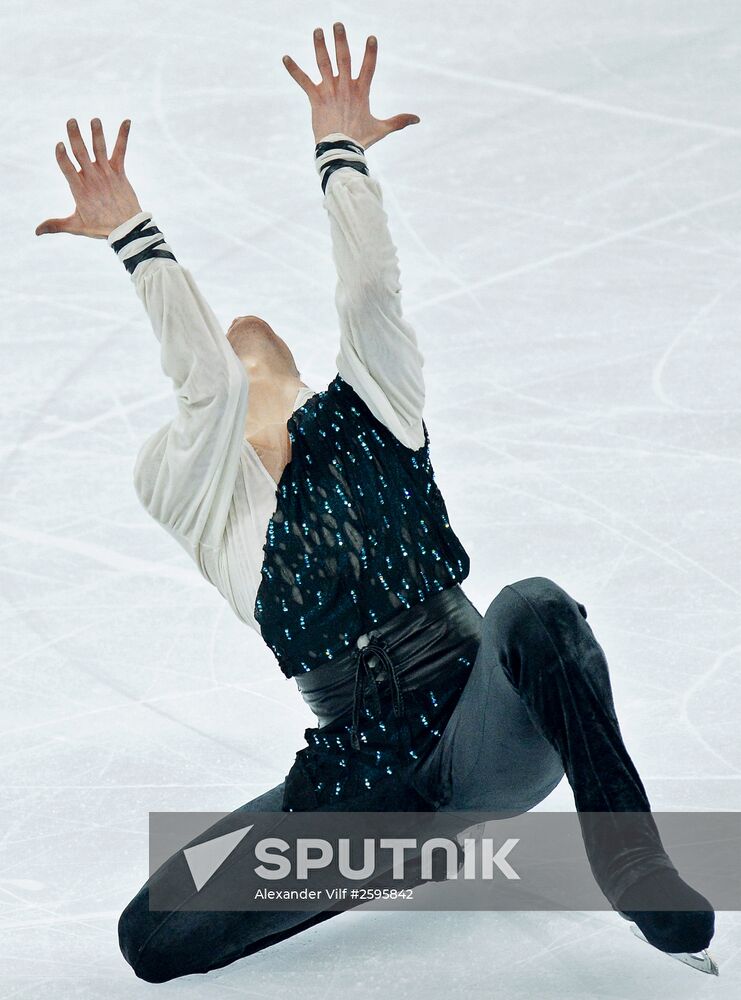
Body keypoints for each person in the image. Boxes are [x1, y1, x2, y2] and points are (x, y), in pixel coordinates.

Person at [36, 21, 717, 985]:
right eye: (231, 349)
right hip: (365, 781)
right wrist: (137, 243)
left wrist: (338, 152)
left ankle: (630, 858)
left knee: (534, 605)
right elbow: (204, 387)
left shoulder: (373, 410)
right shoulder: (191, 492)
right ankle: (389, 855)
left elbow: (369, 295)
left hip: (488, 733)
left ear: (300, 370)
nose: (242, 348)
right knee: (152, 937)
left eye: (259, 345)